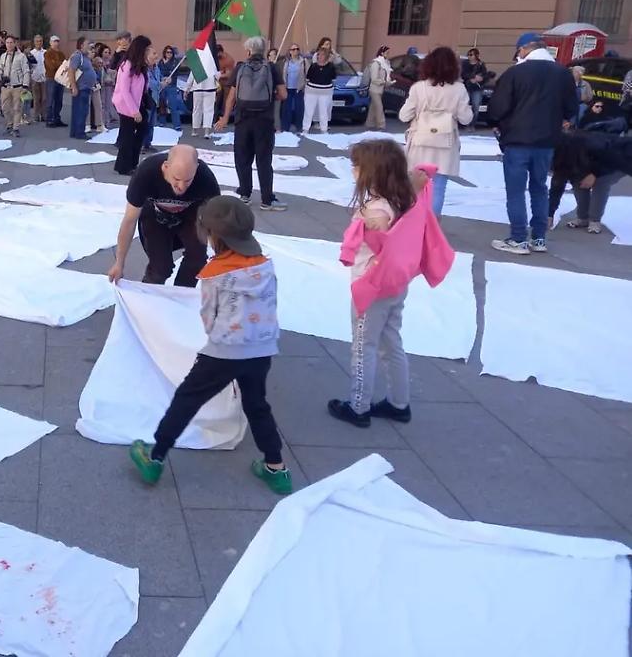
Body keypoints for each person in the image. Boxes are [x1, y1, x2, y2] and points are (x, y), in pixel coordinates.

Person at [128, 195, 291, 495]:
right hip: (261, 350)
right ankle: (276, 468)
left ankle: (155, 457)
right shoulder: (265, 267)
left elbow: (209, 318)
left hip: (223, 353)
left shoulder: (215, 275)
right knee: (257, 406)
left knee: (187, 399)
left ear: (214, 236)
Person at [327, 139, 427, 428]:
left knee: (363, 346)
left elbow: (382, 229)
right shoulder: (403, 197)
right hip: (395, 283)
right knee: (391, 341)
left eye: (357, 166)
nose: (353, 171)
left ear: (373, 171)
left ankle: (358, 407)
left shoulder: (377, 208)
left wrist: (371, 222)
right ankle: (399, 403)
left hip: (372, 287)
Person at [488, 38, 577, 255]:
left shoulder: (515, 73)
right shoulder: (563, 73)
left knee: (516, 191)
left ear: (524, 49)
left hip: (517, 139)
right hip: (547, 140)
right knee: (540, 188)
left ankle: (518, 238)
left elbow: (498, 107)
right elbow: (571, 108)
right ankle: (539, 238)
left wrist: (498, 124)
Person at [107, 144, 222, 287]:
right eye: (176, 179)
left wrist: (223, 258)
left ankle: (180, 294)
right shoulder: (146, 173)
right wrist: (119, 263)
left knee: (197, 260)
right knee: (160, 268)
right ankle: (149, 293)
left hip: (191, 215)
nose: (181, 186)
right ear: (166, 167)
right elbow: (129, 221)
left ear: (196, 168)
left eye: (188, 180)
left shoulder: (205, 177)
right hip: (155, 215)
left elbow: (218, 220)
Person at [215, 36, 288, 211]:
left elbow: (231, 97)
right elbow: (283, 94)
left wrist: (225, 118)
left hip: (243, 120)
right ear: (263, 51)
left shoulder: (240, 67)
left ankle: (245, 194)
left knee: (242, 159)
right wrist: (271, 97)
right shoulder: (271, 68)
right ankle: (267, 200)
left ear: (248, 52)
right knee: (264, 160)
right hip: (264, 121)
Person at [398, 46, 472, 216]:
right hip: (445, 144)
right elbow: (466, 118)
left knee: (415, 188)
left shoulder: (418, 88)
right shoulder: (459, 89)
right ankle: (431, 224)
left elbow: (404, 115)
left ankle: (414, 222)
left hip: (420, 143)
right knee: (438, 189)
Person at [549, 129, 632, 235]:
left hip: (621, 157)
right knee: (577, 180)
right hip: (595, 162)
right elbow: (557, 184)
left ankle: (595, 220)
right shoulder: (557, 158)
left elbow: (612, 157)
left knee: (601, 182)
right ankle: (583, 218)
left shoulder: (585, 142)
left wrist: (595, 174)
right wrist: (549, 214)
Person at [111, 35, 153, 174]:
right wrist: (134, 111)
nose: (149, 51)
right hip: (126, 105)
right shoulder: (127, 65)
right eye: (147, 48)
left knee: (141, 130)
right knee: (127, 136)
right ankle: (124, 167)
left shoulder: (140, 65)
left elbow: (142, 86)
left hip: (137, 103)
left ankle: (132, 163)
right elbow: (124, 90)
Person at [0, 34, 30, 137]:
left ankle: (16, 128)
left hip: (17, 86)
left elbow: (26, 71)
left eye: (11, 42)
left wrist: (25, 85)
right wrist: (1, 76)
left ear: (15, 43)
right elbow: (0, 68)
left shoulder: (21, 56)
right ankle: (9, 125)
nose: (9, 44)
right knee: (5, 108)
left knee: (17, 108)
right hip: (6, 87)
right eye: (7, 43)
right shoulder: (3, 56)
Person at [67, 35, 98, 141]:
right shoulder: (77, 56)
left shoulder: (85, 57)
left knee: (79, 110)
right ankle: (79, 132)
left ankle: (75, 132)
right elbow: (71, 71)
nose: (89, 46)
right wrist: (74, 87)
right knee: (81, 111)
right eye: (87, 44)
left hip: (86, 88)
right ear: (81, 45)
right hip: (81, 88)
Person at [302, 45, 336, 135]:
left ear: (326, 56)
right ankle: (305, 129)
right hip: (311, 91)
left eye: (322, 55)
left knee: (323, 111)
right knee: (308, 110)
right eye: (318, 55)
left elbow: (333, 80)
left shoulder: (331, 67)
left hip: (325, 92)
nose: (319, 56)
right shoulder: (313, 66)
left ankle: (324, 129)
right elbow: (308, 79)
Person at [279, 42, 307, 134]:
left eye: (297, 49)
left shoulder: (303, 61)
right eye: (293, 49)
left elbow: (307, 74)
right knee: (286, 108)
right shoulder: (286, 62)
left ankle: (299, 127)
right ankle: (285, 127)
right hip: (288, 87)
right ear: (290, 51)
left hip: (299, 88)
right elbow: (283, 74)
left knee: (299, 108)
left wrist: (304, 85)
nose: (296, 51)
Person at [364, 45, 393, 130]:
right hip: (374, 90)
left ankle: (369, 124)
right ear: (382, 53)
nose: (388, 54)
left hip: (380, 89)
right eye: (387, 52)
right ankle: (381, 125)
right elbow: (374, 79)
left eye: (389, 52)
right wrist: (384, 82)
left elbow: (386, 76)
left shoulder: (386, 63)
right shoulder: (376, 63)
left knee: (373, 107)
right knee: (379, 107)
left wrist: (388, 82)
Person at [157, 45, 186, 132]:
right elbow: (158, 72)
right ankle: (162, 123)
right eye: (167, 52)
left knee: (173, 105)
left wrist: (170, 79)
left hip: (172, 86)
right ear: (164, 53)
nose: (169, 54)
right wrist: (162, 79)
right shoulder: (161, 62)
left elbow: (175, 72)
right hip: (162, 85)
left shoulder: (175, 62)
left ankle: (177, 125)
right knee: (162, 104)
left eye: (170, 52)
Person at [141, 44, 163, 152]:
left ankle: (148, 144)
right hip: (146, 98)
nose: (156, 56)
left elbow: (159, 79)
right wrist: (160, 84)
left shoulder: (156, 68)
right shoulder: (144, 69)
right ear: (147, 56)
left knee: (151, 123)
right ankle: (140, 144)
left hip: (154, 98)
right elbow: (149, 83)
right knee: (145, 122)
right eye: (154, 53)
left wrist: (164, 80)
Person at [460, 48, 488, 128]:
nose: (469, 56)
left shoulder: (481, 64)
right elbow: (463, 74)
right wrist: (472, 77)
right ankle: (465, 123)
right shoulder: (465, 64)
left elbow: (485, 75)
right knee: (464, 106)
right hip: (467, 87)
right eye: (468, 55)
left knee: (476, 106)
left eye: (471, 55)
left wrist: (481, 79)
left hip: (477, 88)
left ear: (476, 55)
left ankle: (472, 124)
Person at [44, 35, 67, 127]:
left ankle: (57, 118)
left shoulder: (61, 54)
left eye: (57, 41)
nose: (56, 43)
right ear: (50, 43)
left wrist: (59, 64)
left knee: (59, 100)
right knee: (50, 100)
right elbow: (51, 65)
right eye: (54, 41)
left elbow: (65, 65)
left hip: (60, 79)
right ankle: (49, 119)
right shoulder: (47, 53)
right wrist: (60, 64)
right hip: (51, 78)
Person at [88, 44, 108, 135]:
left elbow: (101, 69)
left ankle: (99, 124)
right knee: (88, 106)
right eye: (91, 51)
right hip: (87, 85)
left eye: (93, 51)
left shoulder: (96, 59)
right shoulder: (85, 60)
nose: (92, 53)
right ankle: (88, 124)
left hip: (96, 85)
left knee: (98, 105)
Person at [28, 34, 48, 123]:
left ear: (42, 42)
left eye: (40, 41)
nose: (39, 43)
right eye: (37, 41)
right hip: (35, 77)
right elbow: (29, 65)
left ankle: (44, 115)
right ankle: (36, 115)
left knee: (44, 98)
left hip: (44, 77)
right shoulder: (31, 53)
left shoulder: (46, 52)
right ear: (34, 42)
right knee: (36, 98)